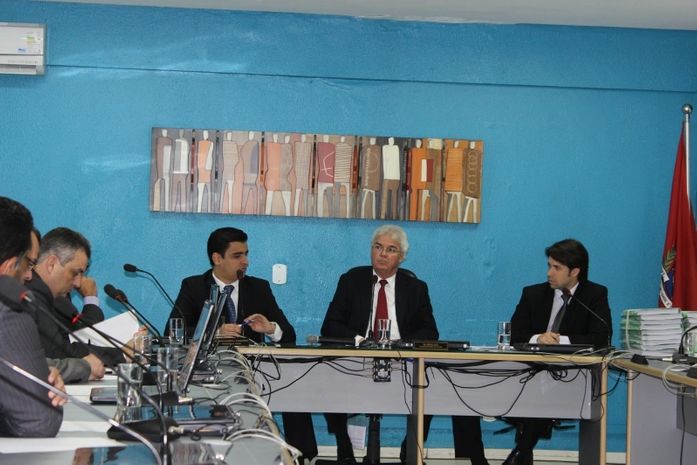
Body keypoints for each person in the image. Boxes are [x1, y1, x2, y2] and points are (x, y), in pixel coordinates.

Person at [321, 225, 487, 465]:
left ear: (401, 257)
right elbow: (330, 326)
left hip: (403, 363)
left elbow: (430, 332)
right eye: (378, 247)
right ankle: (344, 448)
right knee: (325, 375)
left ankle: (410, 448)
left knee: (441, 384)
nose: (382, 254)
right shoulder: (351, 281)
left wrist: (403, 344)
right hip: (356, 360)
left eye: (391, 249)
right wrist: (360, 340)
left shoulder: (416, 288)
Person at [167, 227, 317, 464]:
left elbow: (288, 334)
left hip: (256, 371)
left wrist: (270, 329)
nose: (245, 261)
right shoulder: (194, 286)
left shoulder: (258, 288)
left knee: (295, 382)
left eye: (246, 254)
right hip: (207, 373)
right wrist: (214, 332)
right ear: (217, 258)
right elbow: (172, 332)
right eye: (237, 256)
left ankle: (301, 457)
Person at [505, 238, 612, 465]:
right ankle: (521, 453)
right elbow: (514, 335)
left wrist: (559, 341)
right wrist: (538, 338)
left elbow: (601, 338)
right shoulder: (533, 294)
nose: (549, 273)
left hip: (572, 375)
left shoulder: (594, 295)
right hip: (530, 372)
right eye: (549, 266)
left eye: (556, 267)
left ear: (575, 271)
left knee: (539, 395)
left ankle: (521, 453)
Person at [0, 196, 65, 436]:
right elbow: (39, 422)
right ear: (8, 266)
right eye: (29, 264)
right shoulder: (8, 309)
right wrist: (40, 394)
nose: (29, 276)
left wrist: (39, 372)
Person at [28, 227, 124, 379]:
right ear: (51, 263)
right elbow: (60, 353)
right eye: (75, 272)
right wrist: (122, 353)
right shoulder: (32, 293)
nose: (78, 283)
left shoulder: (53, 294)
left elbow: (77, 337)